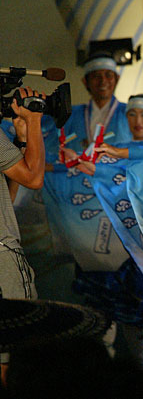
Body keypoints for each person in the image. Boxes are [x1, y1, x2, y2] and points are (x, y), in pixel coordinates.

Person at [0, 86, 45, 379]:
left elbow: (8, 195)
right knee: (16, 353)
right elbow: (34, 178)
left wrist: (21, 140)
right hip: (2, 257)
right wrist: (35, 119)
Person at [59, 55, 130, 155]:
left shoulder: (129, 113)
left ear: (117, 79)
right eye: (96, 76)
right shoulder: (71, 114)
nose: (103, 81)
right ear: (85, 82)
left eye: (108, 75)